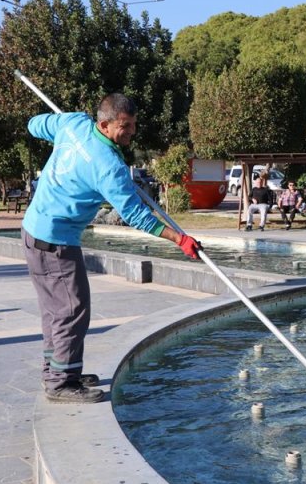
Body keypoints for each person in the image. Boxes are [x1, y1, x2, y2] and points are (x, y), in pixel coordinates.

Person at [22, 93, 201, 404]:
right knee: (71, 310)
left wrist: (57, 132)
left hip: (33, 229)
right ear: (104, 125)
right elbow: (135, 216)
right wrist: (179, 239)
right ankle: (60, 382)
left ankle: (59, 370)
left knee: (55, 309)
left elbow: (34, 125)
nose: (131, 132)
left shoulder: (74, 122)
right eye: (125, 126)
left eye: (133, 125)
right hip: (55, 240)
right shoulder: (110, 167)